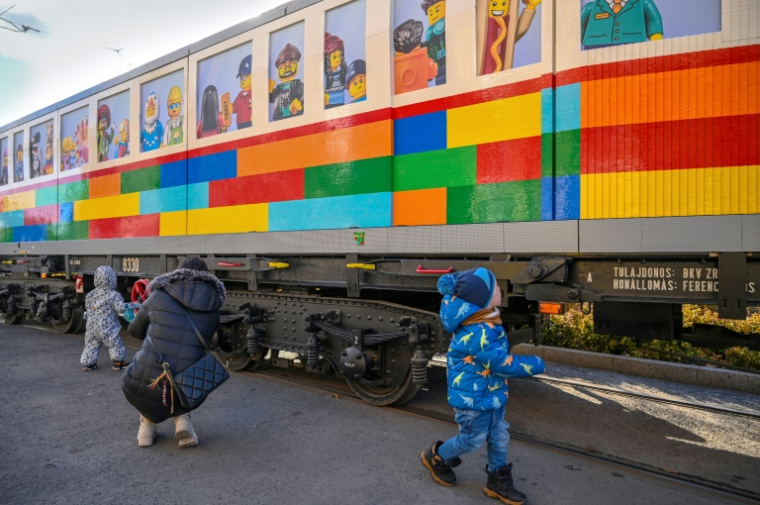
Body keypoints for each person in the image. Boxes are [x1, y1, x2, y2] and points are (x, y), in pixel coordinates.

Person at [420, 267, 545, 504]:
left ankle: (497, 481)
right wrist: (535, 364)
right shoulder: (479, 331)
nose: (499, 288)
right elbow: (501, 364)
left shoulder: (487, 320)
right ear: (482, 299)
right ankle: (436, 456)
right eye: (495, 287)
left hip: (492, 394)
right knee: (471, 440)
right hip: (473, 400)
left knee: (499, 436)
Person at [122, 257, 226, 448]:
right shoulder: (213, 308)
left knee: (148, 370)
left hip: (142, 383)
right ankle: (182, 421)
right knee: (184, 372)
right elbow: (213, 343)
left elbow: (134, 332)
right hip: (187, 390)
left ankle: (146, 428)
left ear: (178, 273)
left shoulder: (159, 296)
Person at [81, 266, 131, 371]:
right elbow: (121, 309)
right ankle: (118, 362)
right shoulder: (114, 295)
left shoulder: (90, 295)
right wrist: (131, 306)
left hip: (91, 326)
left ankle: (88, 363)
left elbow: (89, 308)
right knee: (115, 343)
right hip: (108, 327)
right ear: (113, 279)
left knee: (91, 344)